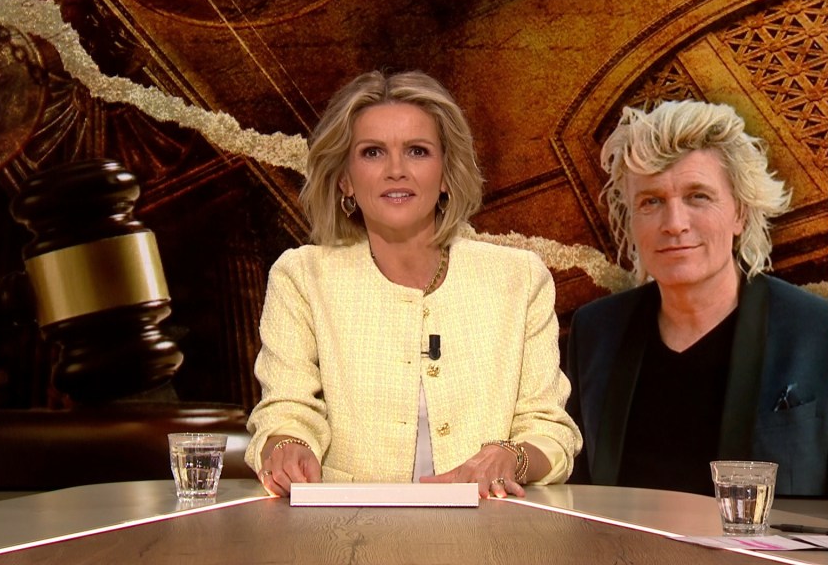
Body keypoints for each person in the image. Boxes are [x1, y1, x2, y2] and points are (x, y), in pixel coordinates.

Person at [244, 70, 582, 499]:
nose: (396, 171)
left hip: (487, 525)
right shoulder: (302, 276)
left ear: (446, 174)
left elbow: (550, 430)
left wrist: (511, 456)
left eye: (417, 151)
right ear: (345, 178)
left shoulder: (519, 278)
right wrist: (287, 446)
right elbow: (285, 409)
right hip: (347, 525)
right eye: (372, 153)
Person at [565, 99, 828, 497]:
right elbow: (578, 489)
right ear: (631, 219)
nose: (674, 224)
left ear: (740, 213)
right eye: (651, 201)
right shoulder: (595, 332)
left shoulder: (818, 331)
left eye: (698, 196)